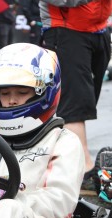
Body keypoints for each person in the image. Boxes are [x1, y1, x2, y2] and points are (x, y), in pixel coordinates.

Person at [0, 43, 85, 218]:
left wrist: (4, 200)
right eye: (4, 93)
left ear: (46, 93)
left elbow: (60, 203)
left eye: (22, 92)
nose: (11, 100)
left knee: (7, 209)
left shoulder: (63, 142)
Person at [39, 0, 112, 192]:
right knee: (74, 106)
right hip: (65, 30)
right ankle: (82, 172)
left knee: (84, 102)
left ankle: (64, 162)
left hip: (98, 29)